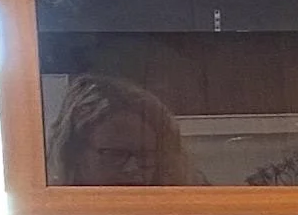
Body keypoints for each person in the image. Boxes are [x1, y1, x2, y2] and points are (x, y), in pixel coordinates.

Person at [44, 74, 189, 184]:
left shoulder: (187, 212)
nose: (132, 168)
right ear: (74, 153)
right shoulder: (43, 214)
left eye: (145, 155)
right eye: (115, 154)